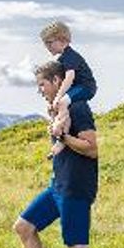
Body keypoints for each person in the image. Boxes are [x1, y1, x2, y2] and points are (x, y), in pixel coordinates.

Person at [13, 61, 99, 248]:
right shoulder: (58, 109)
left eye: (42, 84)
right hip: (58, 186)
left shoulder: (78, 107)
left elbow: (92, 149)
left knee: (76, 246)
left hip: (76, 187)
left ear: (57, 81)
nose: (39, 90)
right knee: (24, 227)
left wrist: (64, 137)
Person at [40, 20, 97, 159]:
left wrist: (59, 97)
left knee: (63, 103)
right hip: (77, 87)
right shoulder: (63, 58)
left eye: (50, 42)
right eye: (45, 43)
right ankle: (58, 131)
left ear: (63, 40)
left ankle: (61, 139)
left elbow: (70, 77)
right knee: (60, 106)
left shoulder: (70, 56)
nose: (47, 46)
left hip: (85, 87)